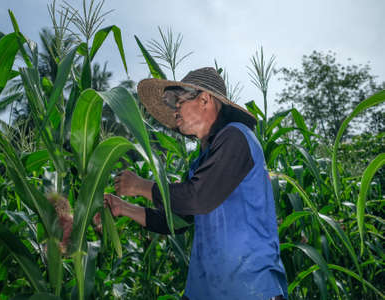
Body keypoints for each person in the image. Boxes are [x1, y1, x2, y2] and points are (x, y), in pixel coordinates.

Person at [102, 67, 288, 300]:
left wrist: (141, 186)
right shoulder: (202, 161)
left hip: (249, 289)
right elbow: (178, 220)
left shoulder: (236, 137)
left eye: (178, 101)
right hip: (208, 290)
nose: (175, 110)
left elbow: (196, 198)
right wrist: (124, 208)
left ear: (204, 100)